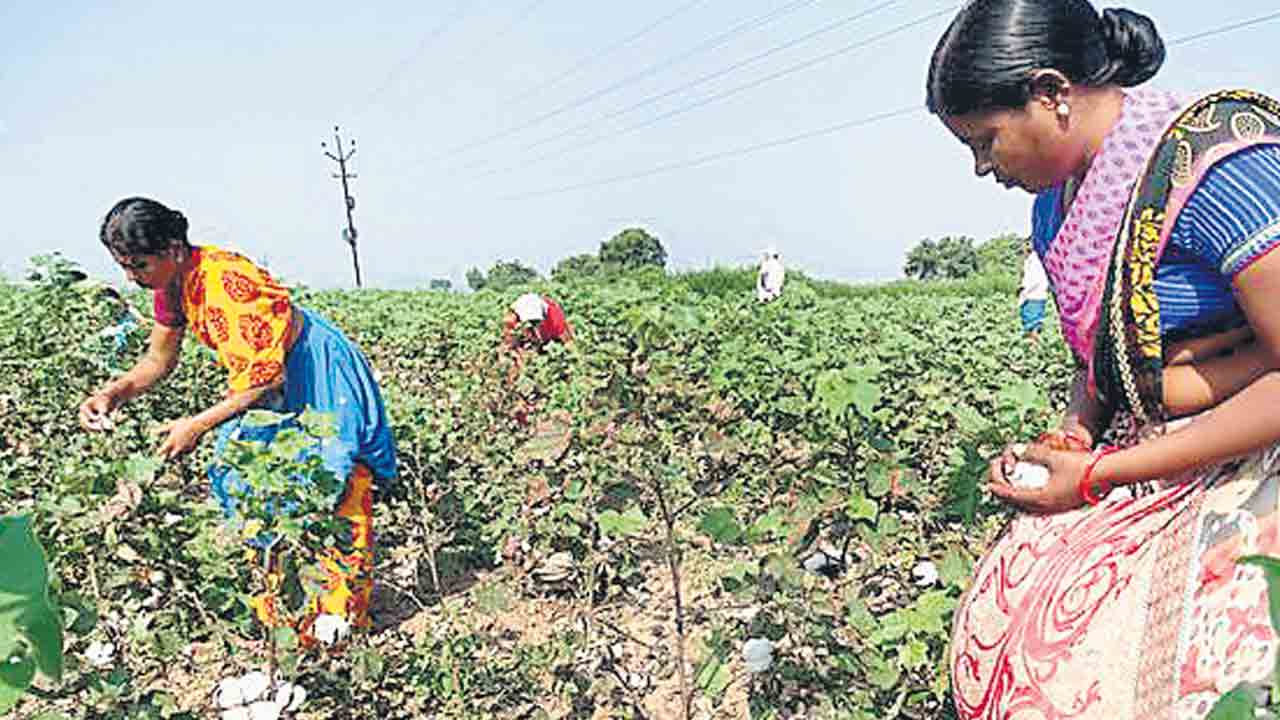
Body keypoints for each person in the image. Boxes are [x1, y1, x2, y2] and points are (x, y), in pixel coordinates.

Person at [928, 2, 1280, 717]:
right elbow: (1106, 356)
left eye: (986, 141)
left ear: (1053, 93)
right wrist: (1075, 434)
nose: (979, 168)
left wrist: (1099, 475)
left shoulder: (1226, 169)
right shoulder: (1056, 204)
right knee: (1011, 619)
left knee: (1197, 672)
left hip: (1254, 441)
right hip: (1148, 440)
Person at [78, 197, 397, 644]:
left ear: (172, 250)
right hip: (267, 378)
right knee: (256, 481)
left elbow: (266, 381)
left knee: (338, 481)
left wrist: (195, 424)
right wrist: (113, 393)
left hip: (311, 368)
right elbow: (158, 359)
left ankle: (343, 620)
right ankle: (285, 618)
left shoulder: (228, 281)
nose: (132, 278)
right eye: (125, 267)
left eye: (139, 265)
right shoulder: (169, 285)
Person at [503, 292, 573, 351]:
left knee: (563, 338)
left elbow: (535, 325)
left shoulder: (525, 311)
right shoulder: (516, 308)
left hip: (550, 315)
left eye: (512, 326)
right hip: (544, 312)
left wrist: (536, 341)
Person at [1017, 238, 1048, 341]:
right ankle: (1032, 347)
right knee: (1029, 324)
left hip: (1035, 295)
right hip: (1030, 295)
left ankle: (1034, 348)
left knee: (1033, 325)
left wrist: (1024, 287)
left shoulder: (1036, 260)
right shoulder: (1028, 260)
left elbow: (1036, 279)